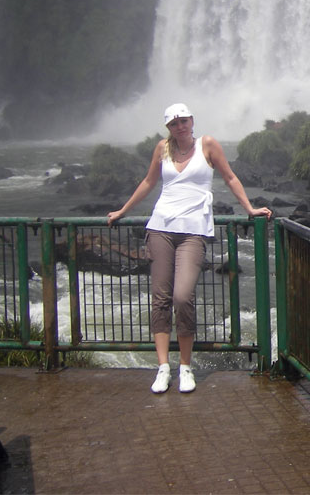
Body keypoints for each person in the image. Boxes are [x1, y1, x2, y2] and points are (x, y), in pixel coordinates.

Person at [107, 102, 272, 394]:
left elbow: (230, 177)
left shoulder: (207, 145)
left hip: (193, 232)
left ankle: (185, 366)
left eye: (183, 120)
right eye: (173, 123)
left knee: (182, 296)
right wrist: (122, 210)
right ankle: (162, 368)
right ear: (168, 127)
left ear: (192, 121)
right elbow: (149, 182)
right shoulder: (162, 149)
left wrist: (249, 208)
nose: (179, 126)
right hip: (160, 229)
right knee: (160, 298)